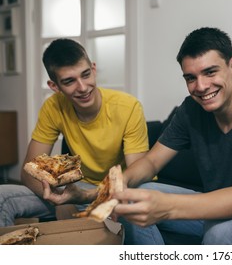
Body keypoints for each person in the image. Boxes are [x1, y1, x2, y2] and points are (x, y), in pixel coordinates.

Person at [108, 27, 232, 245]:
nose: (201, 86)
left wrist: (168, 207)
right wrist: (120, 183)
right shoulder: (190, 110)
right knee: (134, 195)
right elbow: (151, 161)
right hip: (214, 209)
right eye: (191, 78)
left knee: (221, 234)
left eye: (210, 72)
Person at [0, 38, 149, 227]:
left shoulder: (129, 107)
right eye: (69, 81)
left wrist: (104, 197)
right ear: (55, 86)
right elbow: (29, 171)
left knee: (133, 209)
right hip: (78, 189)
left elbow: (137, 175)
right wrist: (64, 197)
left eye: (86, 75)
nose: (83, 87)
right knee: (2, 197)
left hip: (118, 188)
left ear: (93, 69)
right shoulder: (53, 107)